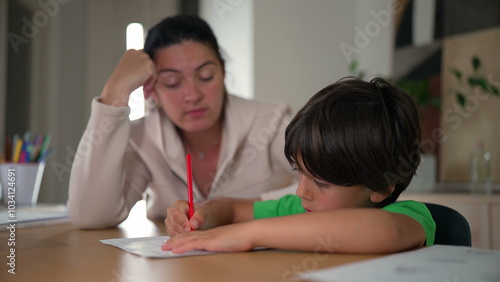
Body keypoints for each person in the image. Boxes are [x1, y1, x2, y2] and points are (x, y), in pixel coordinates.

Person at [67, 15, 297, 229]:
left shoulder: (270, 123)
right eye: (172, 82)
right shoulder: (143, 137)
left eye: (205, 76)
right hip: (177, 266)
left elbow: (329, 189)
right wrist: (114, 93)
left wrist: (237, 209)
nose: (192, 95)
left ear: (223, 72)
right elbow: (91, 216)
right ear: (152, 89)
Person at [162, 77, 436, 254]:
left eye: (321, 182)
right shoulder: (304, 209)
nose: (301, 192)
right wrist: (202, 216)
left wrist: (249, 235)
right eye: (300, 174)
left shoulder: (408, 215)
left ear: (379, 188)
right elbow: (232, 210)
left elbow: (384, 231)